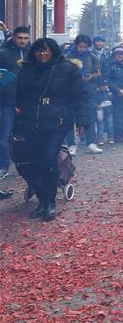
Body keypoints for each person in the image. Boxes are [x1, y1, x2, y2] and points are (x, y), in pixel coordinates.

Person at [13, 38, 90, 221]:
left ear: (53, 51)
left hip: (57, 121)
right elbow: (19, 96)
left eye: (46, 50)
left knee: (49, 158)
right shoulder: (27, 69)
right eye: (39, 51)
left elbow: (80, 96)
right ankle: (42, 201)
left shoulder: (67, 69)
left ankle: (50, 202)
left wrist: (82, 121)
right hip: (31, 122)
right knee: (34, 162)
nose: (42, 54)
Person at [0, 25, 30, 195]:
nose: (23, 41)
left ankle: (25, 165)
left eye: (26, 38)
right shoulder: (3, 53)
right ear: (14, 38)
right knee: (4, 135)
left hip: (27, 101)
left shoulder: (32, 54)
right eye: (20, 38)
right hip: (7, 100)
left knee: (26, 134)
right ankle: (3, 166)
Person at [67, 34, 102, 154]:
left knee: (90, 116)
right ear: (76, 45)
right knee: (70, 118)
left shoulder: (92, 57)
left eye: (85, 47)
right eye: (80, 47)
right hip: (71, 91)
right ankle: (71, 144)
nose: (82, 49)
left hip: (88, 91)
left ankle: (91, 143)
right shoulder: (68, 57)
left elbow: (98, 73)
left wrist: (91, 76)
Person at [104, 47, 123, 142]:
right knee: (116, 114)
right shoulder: (109, 65)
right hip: (115, 93)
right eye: (117, 54)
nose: (120, 56)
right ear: (114, 55)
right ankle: (116, 134)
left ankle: (122, 132)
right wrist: (117, 89)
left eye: (121, 54)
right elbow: (107, 79)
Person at [92, 78, 115, 145]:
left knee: (110, 126)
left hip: (109, 112)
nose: (104, 87)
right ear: (99, 86)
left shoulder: (110, 93)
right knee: (100, 127)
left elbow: (113, 102)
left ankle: (111, 138)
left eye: (106, 85)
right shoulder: (96, 93)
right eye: (102, 86)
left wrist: (111, 108)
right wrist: (97, 106)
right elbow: (93, 102)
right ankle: (100, 139)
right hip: (100, 112)